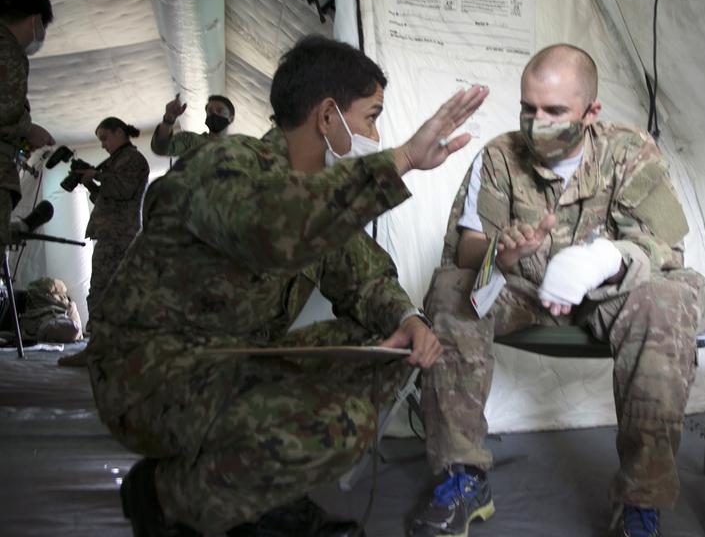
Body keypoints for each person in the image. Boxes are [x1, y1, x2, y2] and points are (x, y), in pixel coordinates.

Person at [85, 35, 488, 536]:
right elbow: (275, 231)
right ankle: (168, 498)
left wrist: (406, 320)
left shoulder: (319, 192)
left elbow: (364, 274)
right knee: (339, 425)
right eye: (371, 116)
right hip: (150, 377)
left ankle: (255, 493)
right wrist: (401, 160)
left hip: (230, 361)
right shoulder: (226, 166)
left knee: (379, 346)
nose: (375, 133)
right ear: (327, 116)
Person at [409, 44, 705, 537]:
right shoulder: (499, 156)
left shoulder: (630, 150)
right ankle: (463, 477)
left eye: (554, 111)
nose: (538, 121)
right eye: (528, 109)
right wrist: (499, 257)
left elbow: (664, 248)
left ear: (591, 112)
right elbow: (467, 250)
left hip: (611, 297)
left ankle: (639, 501)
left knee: (667, 300)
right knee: (451, 289)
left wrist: (600, 262)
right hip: (524, 289)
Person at [58, 117, 149, 366]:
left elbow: (124, 190)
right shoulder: (115, 162)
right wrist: (91, 184)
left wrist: (97, 174)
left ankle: (100, 351)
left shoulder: (132, 160)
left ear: (119, 132)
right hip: (113, 234)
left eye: (105, 138)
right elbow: (108, 199)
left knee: (102, 290)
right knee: (105, 290)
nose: (103, 145)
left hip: (120, 237)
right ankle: (107, 349)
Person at [0, 0, 54, 246]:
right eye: (43, 27)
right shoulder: (7, 48)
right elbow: (5, 108)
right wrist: (28, 130)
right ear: (35, 19)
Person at [150, 93, 236, 157]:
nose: (213, 113)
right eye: (209, 111)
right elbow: (160, 149)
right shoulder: (189, 140)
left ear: (231, 119)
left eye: (220, 110)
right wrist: (169, 119)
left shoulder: (241, 146)